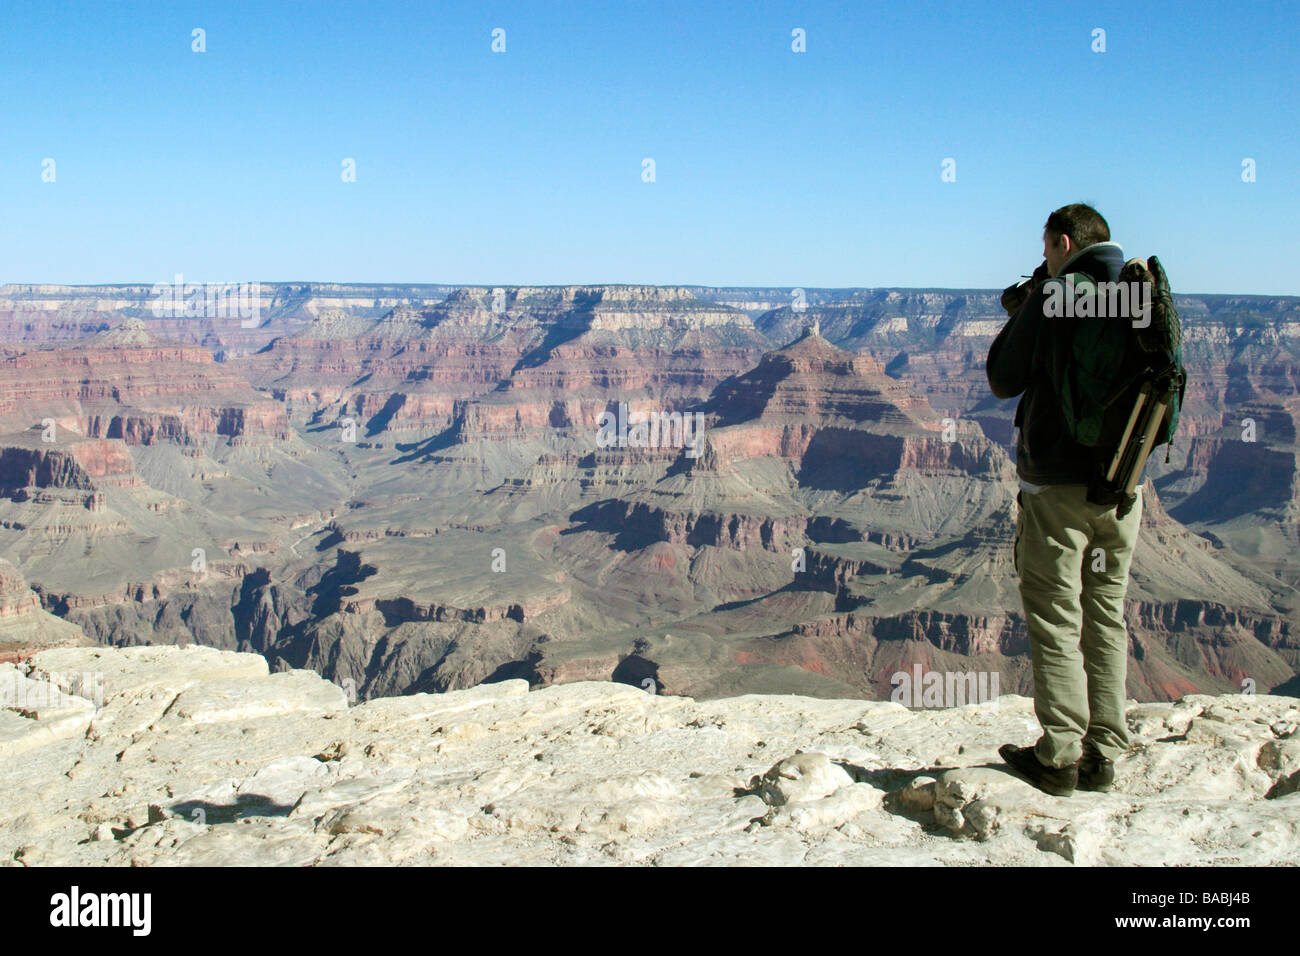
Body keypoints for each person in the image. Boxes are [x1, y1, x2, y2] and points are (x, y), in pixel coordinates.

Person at [986, 202, 1139, 797]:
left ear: (1064, 242)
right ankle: (1104, 754)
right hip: (1126, 485)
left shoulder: (1058, 292)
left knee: (1055, 617)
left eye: (1047, 247)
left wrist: (1039, 294)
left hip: (1058, 490)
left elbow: (1003, 377)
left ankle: (1058, 758)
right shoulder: (1136, 292)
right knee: (1106, 614)